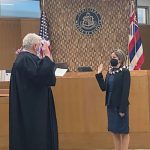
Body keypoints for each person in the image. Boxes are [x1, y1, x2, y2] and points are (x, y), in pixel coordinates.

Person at [9, 33, 58, 150]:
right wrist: (47, 55)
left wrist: (45, 59)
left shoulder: (24, 58)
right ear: (35, 46)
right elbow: (43, 76)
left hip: (30, 108)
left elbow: (39, 72)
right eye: (40, 45)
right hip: (33, 112)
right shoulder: (26, 59)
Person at [95, 49, 130, 150]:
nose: (112, 59)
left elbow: (125, 91)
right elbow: (104, 88)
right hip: (111, 106)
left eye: (114, 57)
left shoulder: (125, 72)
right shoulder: (110, 72)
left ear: (120, 59)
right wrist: (99, 74)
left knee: (124, 132)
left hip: (120, 107)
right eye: (111, 57)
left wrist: (122, 109)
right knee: (114, 131)